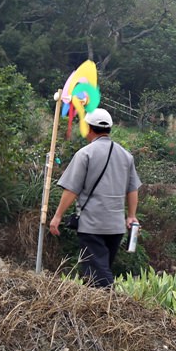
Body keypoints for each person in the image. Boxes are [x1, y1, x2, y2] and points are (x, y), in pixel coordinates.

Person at [48, 108, 141, 288]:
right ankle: (98, 309)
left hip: (92, 224)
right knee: (98, 270)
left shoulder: (85, 154)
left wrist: (58, 216)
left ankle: (111, 306)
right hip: (116, 227)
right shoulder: (126, 156)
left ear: (89, 129)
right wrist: (131, 216)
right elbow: (133, 189)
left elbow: (71, 189)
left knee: (98, 275)